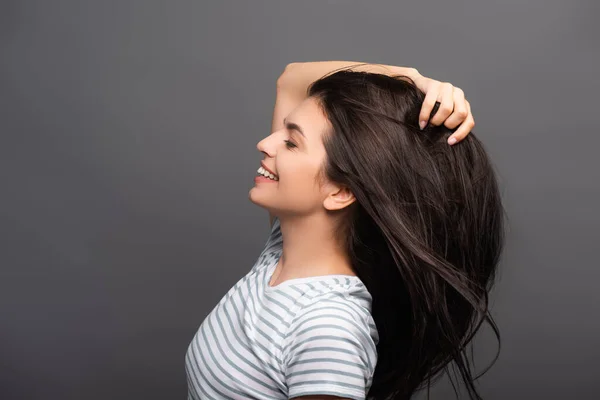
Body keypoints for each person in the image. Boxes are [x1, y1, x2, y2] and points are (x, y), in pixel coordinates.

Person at [185, 61, 504, 400]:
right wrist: (414, 79)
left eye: (291, 142)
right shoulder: (282, 250)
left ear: (340, 192)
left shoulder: (327, 326)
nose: (266, 143)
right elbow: (292, 79)